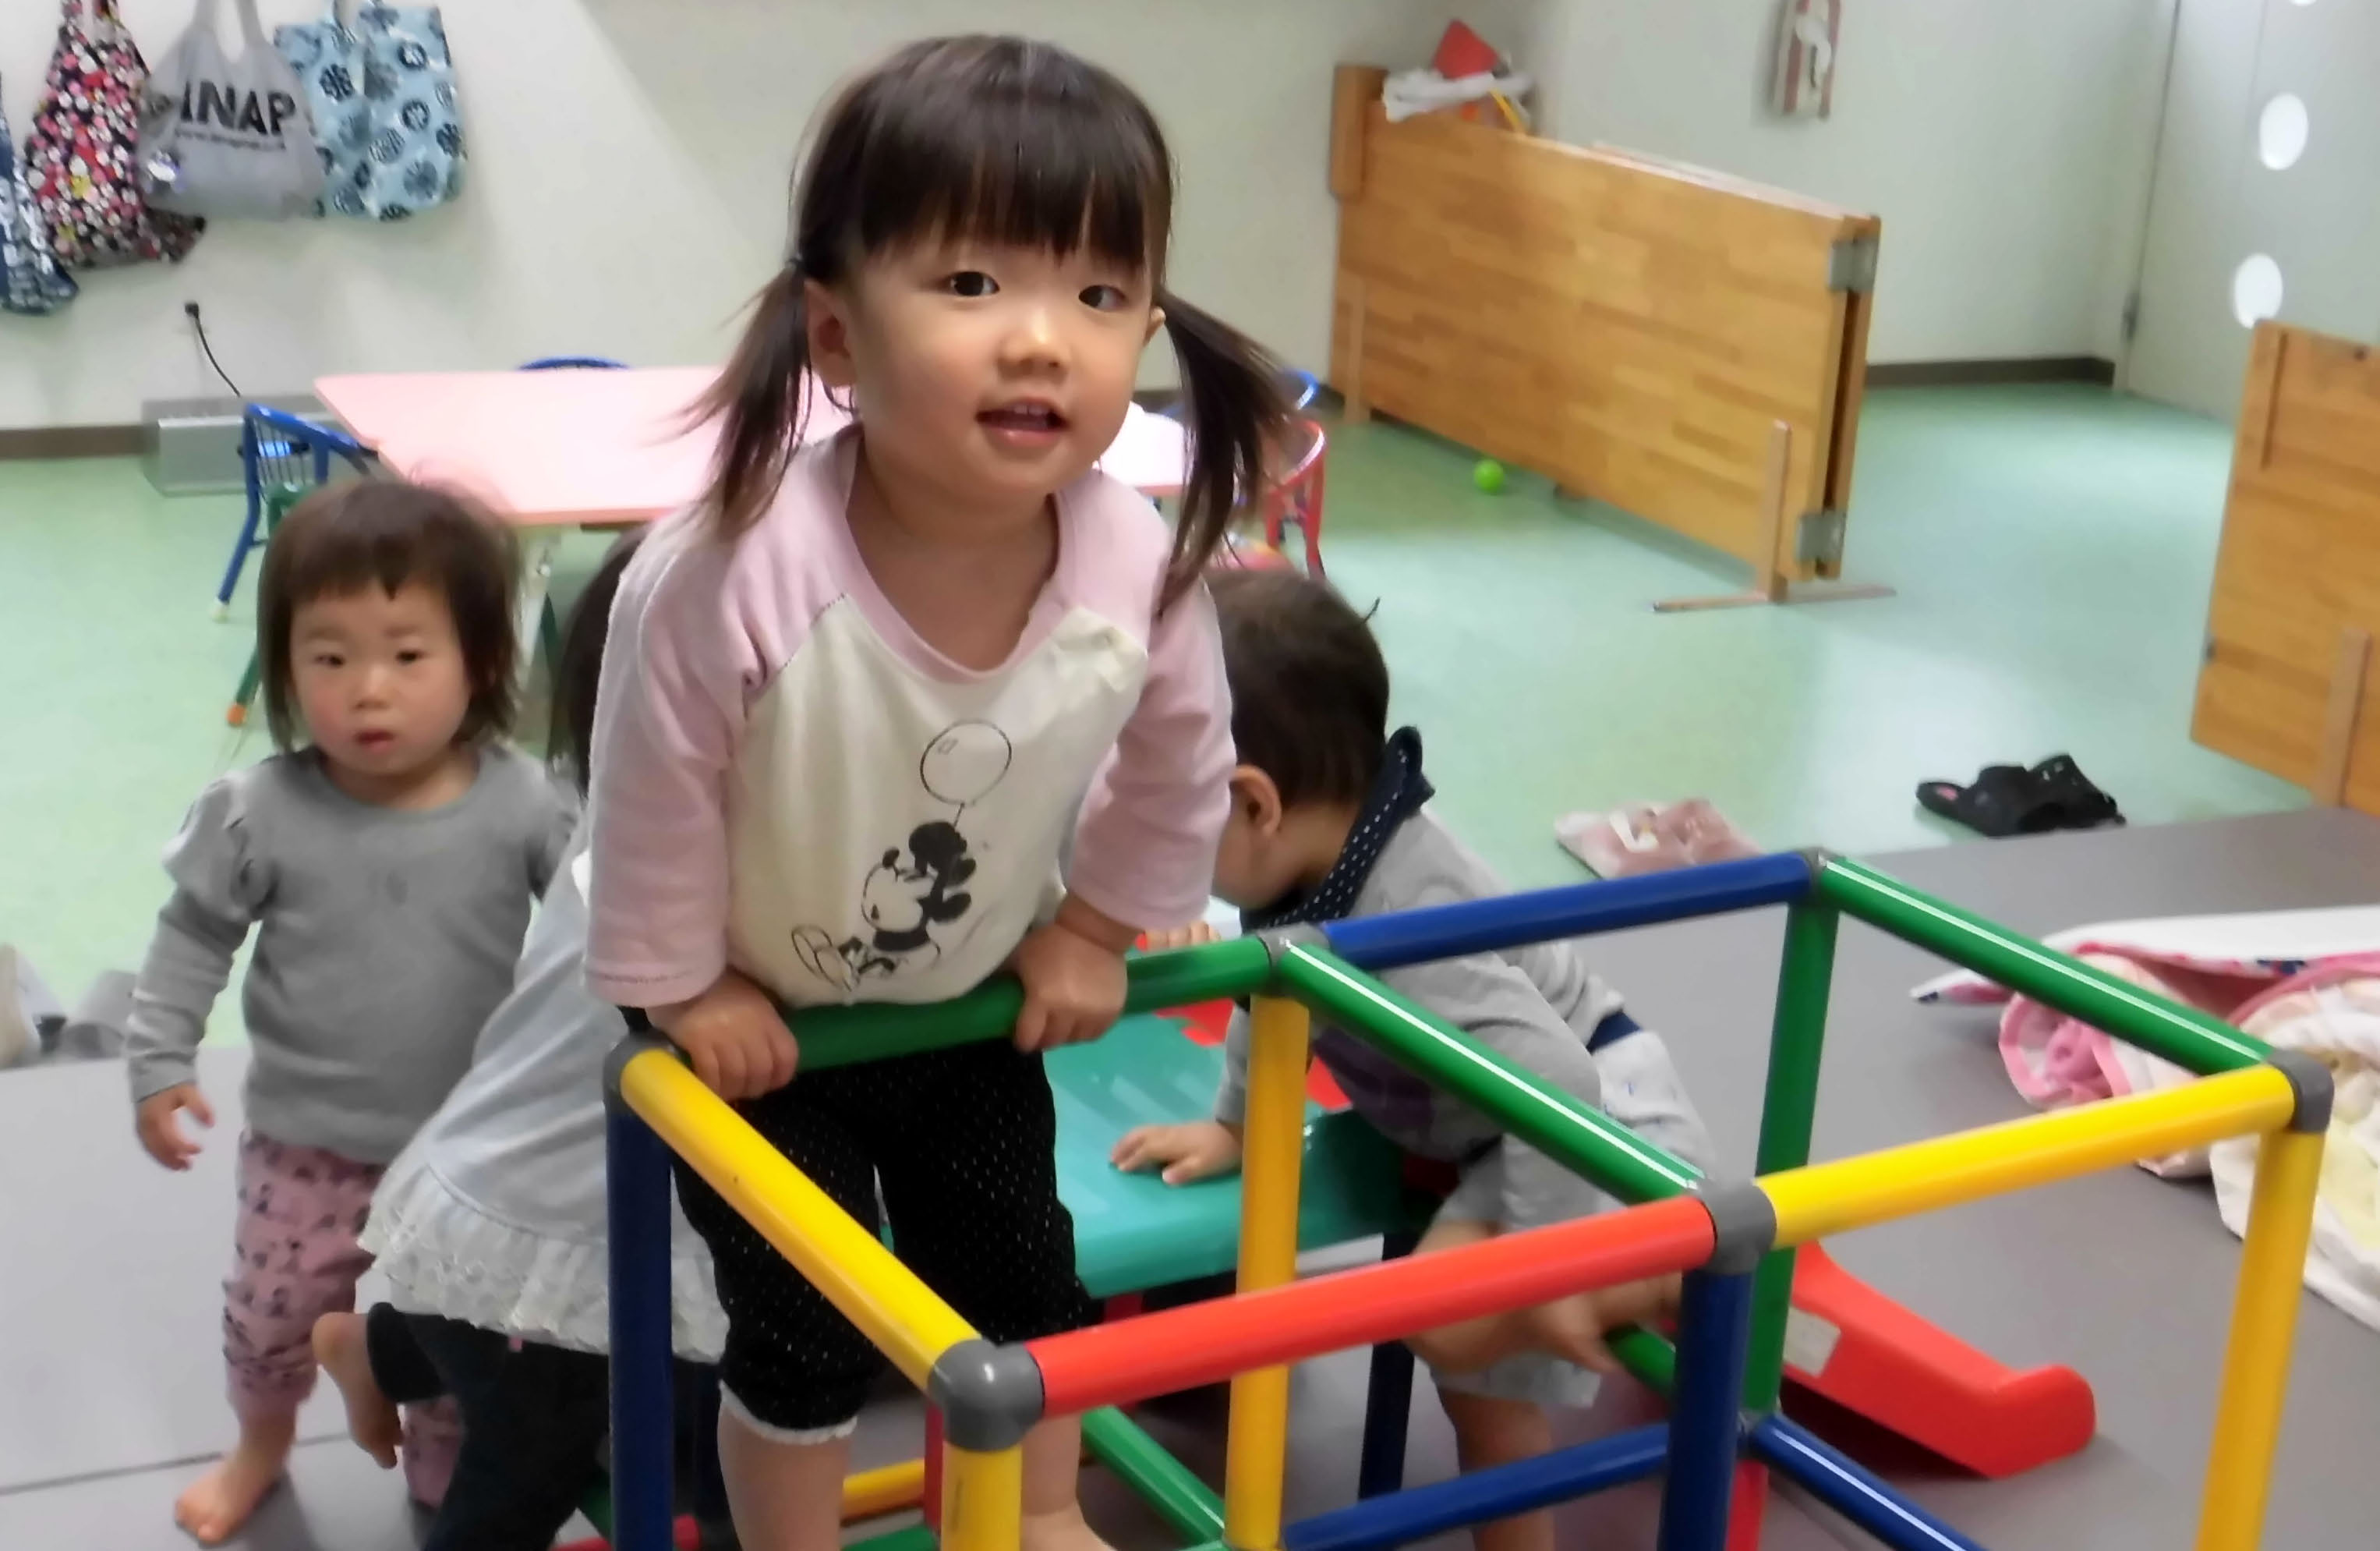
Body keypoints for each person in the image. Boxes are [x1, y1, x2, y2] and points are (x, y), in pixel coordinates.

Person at [582, 35, 1293, 1551]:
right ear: (834, 335)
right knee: (803, 1325)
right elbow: (650, 784)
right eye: (971, 284)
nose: (1040, 339)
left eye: (1096, 293)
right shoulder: (738, 564)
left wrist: (1097, 923)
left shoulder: (1135, 558)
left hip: (965, 1004)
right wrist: (683, 983)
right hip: (765, 1030)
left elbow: (1181, 752)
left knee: (1021, 1276)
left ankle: (1041, 1513)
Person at [1112, 567, 1717, 1551]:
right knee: (1466, 1369)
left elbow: (1561, 1084)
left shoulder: (1406, 914)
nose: (1156, 844)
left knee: (1449, 1329)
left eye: (1165, 816)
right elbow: (1273, 990)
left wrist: (1546, 1263)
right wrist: (1232, 1123)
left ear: (1253, 804)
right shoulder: (1313, 863)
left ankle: (1672, 1273)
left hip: (1605, 1137)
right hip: (1496, 1134)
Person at [123, 482, 577, 1545]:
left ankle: (442, 1459)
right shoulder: (259, 813)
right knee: (272, 1317)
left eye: (408, 655)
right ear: (286, 669)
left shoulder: (524, 802)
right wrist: (159, 1059)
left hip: (469, 1153)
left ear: (481, 662)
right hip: (308, 1148)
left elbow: (591, 928)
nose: (369, 690)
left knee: (460, 1326)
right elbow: (192, 935)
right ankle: (261, 1445)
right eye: (329, 658)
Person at [309, 526, 737, 1551]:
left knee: (707, 1393)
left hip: (574, 1194)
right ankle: (388, 1348)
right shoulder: (660, 863)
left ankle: (378, 1345)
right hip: (535, 1205)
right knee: (537, 1443)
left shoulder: (661, 808)